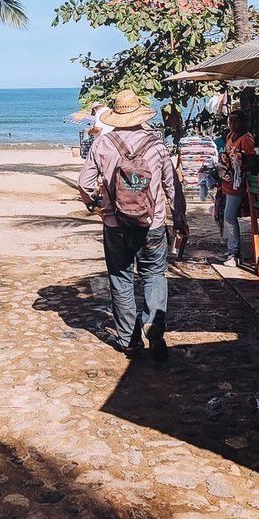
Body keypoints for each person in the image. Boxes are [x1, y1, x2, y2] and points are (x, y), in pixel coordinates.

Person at [78, 89, 188, 361]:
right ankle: (154, 326)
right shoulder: (157, 145)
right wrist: (180, 217)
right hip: (153, 225)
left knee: (121, 278)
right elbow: (171, 187)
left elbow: (84, 183)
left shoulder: (102, 145)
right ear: (140, 113)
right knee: (154, 274)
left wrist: (94, 203)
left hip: (116, 225)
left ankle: (129, 340)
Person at [219, 110, 255, 267]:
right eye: (230, 121)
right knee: (225, 216)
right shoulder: (229, 137)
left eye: (235, 121)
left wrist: (237, 168)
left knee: (229, 217)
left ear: (243, 122)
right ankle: (230, 250)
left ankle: (235, 253)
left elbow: (251, 163)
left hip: (237, 185)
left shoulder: (246, 139)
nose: (232, 124)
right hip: (227, 182)